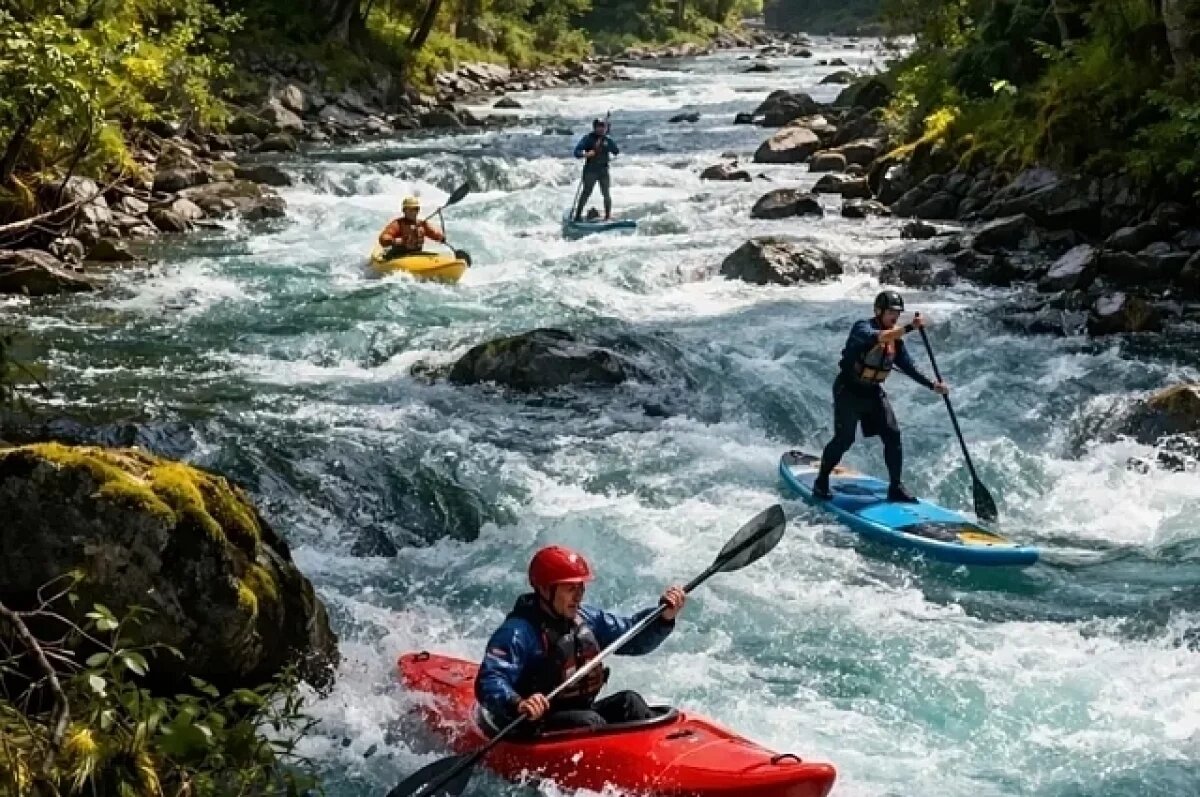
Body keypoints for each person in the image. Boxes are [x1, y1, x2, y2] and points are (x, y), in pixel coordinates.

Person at [475, 545, 686, 736]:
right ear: (545, 590)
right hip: (533, 724)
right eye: (570, 589)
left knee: (629, 701)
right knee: (590, 722)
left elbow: (632, 637)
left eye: (580, 588)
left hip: (578, 715)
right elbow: (490, 680)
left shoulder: (586, 619)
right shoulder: (518, 633)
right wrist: (519, 703)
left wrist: (664, 618)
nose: (578, 596)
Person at [812, 290, 949, 503]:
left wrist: (933, 385)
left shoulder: (896, 340)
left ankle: (895, 487)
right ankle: (821, 481)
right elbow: (880, 337)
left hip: (872, 392)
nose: (895, 317)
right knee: (845, 439)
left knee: (893, 435)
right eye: (891, 312)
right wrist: (910, 327)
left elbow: (909, 367)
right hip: (849, 391)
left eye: (898, 312)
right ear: (878, 311)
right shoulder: (862, 328)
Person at [572, 118, 621, 222]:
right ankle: (577, 216)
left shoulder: (607, 140)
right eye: (599, 126)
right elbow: (576, 152)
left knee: (606, 194)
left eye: (603, 126)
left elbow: (616, 151)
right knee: (586, 192)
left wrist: (609, 143)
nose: (601, 129)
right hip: (590, 170)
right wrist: (585, 154)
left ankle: (607, 216)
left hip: (603, 170)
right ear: (594, 127)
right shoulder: (588, 139)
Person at [377, 196, 444, 257]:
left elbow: (432, 233)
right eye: (409, 209)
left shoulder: (422, 224)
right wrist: (393, 241)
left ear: (418, 210)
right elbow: (384, 237)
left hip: (416, 254)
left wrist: (440, 237)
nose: (412, 212)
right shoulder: (398, 224)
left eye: (415, 209)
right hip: (398, 255)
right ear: (404, 211)